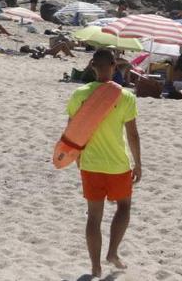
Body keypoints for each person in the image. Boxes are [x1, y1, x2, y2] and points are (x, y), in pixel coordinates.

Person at [66, 49, 141, 277]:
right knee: (124, 207)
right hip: (118, 164)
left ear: (91, 65)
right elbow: (133, 135)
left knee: (94, 216)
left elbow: (72, 131)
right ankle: (112, 253)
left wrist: (77, 157)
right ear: (114, 66)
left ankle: (95, 266)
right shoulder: (125, 96)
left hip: (90, 164)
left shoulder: (80, 94)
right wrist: (138, 164)